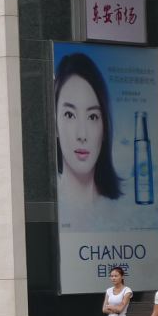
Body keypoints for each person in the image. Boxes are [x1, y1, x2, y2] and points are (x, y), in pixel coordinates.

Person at [54, 52, 122, 229]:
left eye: (92, 117)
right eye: (70, 114)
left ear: (105, 127)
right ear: (55, 124)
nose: (82, 134)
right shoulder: (52, 205)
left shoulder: (124, 213)